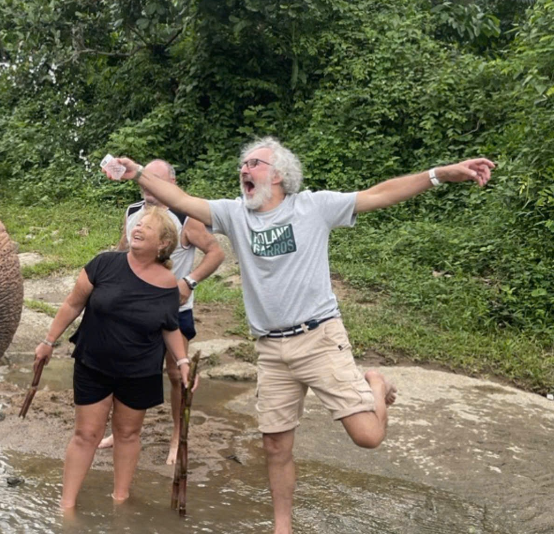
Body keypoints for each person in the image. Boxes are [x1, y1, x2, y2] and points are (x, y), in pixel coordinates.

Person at [106, 138, 494, 534]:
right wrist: (138, 173)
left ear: (279, 175)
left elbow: (379, 194)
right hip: (271, 349)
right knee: (275, 445)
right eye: (242, 164)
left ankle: (375, 384)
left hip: (319, 337)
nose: (244, 170)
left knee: (369, 436)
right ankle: (283, 528)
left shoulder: (313, 206)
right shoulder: (235, 214)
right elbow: (183, 200)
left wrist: (438, 175)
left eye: (254, 163)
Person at [35, 208, 195, 510]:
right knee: (87, 434)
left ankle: (120, 499)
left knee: (127, 433)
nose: (138, 228)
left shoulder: (168, 283)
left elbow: (170, 327)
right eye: (139, 223)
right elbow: (72, 304)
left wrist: (183, 362)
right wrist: (48, 341)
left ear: (162, 244)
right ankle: (66, 506)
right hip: (94, 363)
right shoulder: (105, 264)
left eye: (148, 228)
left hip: (140, 370)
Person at [97, 159, 224, 464]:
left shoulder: (185, 215)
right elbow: (122, 253)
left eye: (155, 179)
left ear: (171, 180)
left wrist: (188, 282)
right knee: (125, 370)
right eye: (144, 179)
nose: (147, 184)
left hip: (173, 311)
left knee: (176, 375)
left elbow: (216, 252)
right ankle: (121, 430)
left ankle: (178, 437)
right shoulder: (132, 213)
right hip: (133, 311)